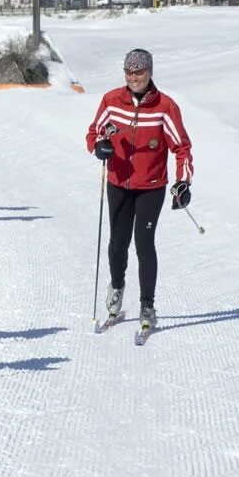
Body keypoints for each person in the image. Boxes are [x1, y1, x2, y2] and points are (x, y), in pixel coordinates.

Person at [86, 48, 194, 329]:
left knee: (144, 244)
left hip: (151, 186)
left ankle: (147, 305)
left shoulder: (165, 107)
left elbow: (181, 147)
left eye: (140, 72)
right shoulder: (111, 101)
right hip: (118, 183)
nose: (134, 78)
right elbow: (94, 132)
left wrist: (183, 182)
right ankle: (117, 290)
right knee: (117, 243)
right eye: (129, 72)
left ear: (150, 73)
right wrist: (99, 147)